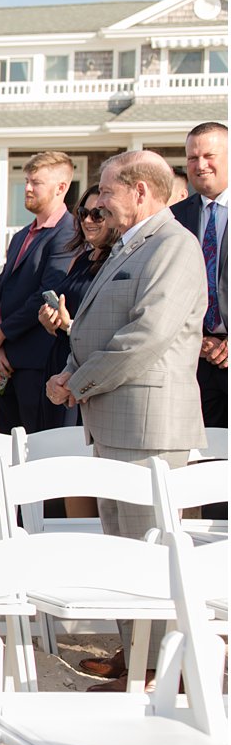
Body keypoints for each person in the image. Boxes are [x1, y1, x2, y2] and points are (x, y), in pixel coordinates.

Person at [46, 150, 205, 691]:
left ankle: (164, 672)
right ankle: (137, 653)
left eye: (108, 190)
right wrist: (69, 370)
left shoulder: (174, 247)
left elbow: (146, 336)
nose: (100, 201)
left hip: (148, 428)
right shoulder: (130, 245)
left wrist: (79, 381)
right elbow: (94, 325)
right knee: (122, 550)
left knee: (148, 553)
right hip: (116, 422)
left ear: (141, 192)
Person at [0, 151, 76, 437]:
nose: (26, 187)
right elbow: (0, 289)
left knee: (37, 455)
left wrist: (0, 334)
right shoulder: (21, 235)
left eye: (35, 182)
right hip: (5, 365)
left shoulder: (68, 233)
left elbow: (45, 294)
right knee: (6, 451)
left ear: (61, 188)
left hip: (38, 367)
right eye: (26, 180)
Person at [175, 121, 227, 520]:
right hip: (192, 359)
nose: (200, 164)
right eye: (193, 157)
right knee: (205, 462)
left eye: (209, 155)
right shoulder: (175, 219)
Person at [37, 185, 110, 440]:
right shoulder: (80, 260)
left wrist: (70, 325)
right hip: (58, 361)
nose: (88, 220)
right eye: (83, 213)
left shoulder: (116, 263)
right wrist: (51, 320)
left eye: (97, 214)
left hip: (85, 369)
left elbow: (110, 325)